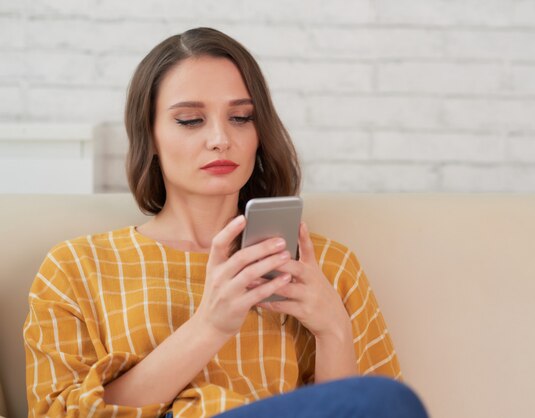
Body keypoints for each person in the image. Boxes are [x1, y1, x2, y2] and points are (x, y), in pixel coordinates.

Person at [23, 27, 428, 418]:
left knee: (389, 400)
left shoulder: (327, 267)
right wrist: (210, 325)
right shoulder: (77, 267)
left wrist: (333, 331)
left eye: (241, 117)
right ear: (150, 136)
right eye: (189, 120)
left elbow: (374, 407)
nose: (220, 138)